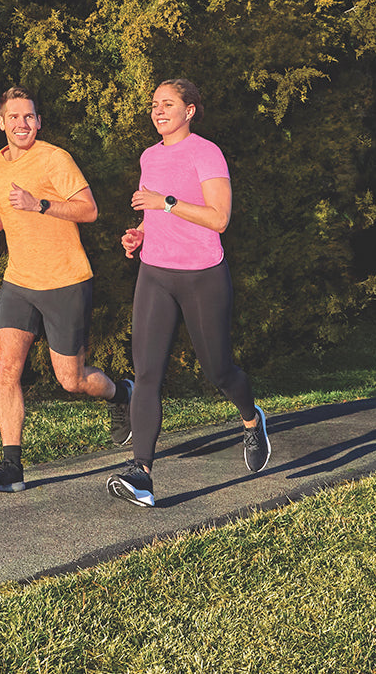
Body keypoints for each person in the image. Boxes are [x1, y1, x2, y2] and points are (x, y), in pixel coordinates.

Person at [107, 78, 269, 508]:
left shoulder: (206, 153)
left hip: (202, 276)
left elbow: (219, 219)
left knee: (219, 371)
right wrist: (139, 234)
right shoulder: (149, 155)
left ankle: (252, 420)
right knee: (146, 375)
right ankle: (141, 472)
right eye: (154, 104)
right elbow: (153, 211)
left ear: (190, 110)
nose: (158, 110)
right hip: (155, 274)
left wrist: (166, 203)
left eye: (168, 103)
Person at [0, 87, 134, 493]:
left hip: (65, 280)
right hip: (19, 281)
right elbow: (3, 200)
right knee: (6, 368)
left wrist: (39, 204)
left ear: (39, 122)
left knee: (70, 379)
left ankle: (121, 395)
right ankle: (12, 467)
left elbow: (89, 210)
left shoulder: (56, 159)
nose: (22, 124)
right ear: (1, 123)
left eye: (29, 117)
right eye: (14, 117)